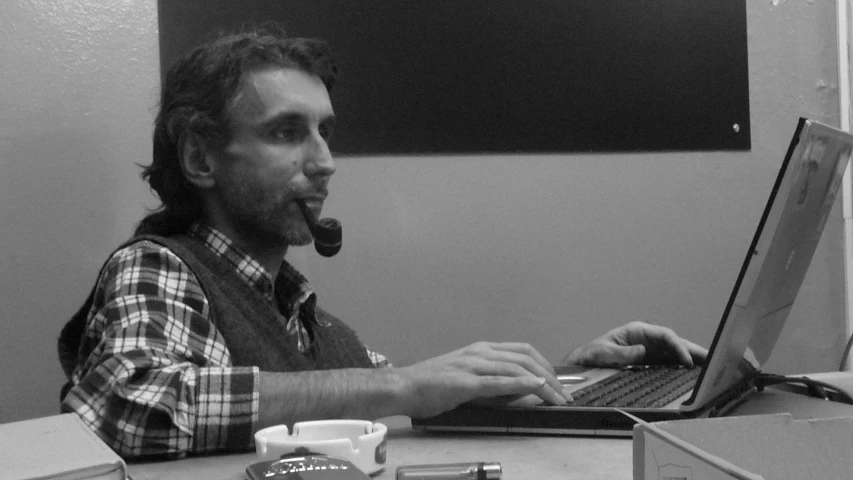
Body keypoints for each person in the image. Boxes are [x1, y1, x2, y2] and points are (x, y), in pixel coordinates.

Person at [57, 27, 706, 459]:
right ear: (200, 155)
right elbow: (129, 403)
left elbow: (410, 395)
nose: (324, 162)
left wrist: (570, 377)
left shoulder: (309, 319)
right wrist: (396, 384)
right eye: (286, 133)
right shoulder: (158, 266)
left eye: (324, 133)